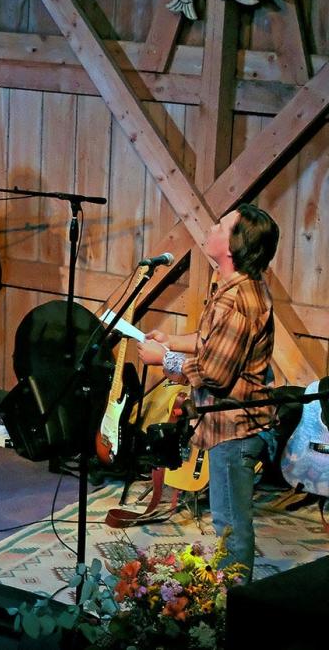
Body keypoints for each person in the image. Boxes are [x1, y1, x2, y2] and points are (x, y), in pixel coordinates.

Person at [137, 204, 280, 581]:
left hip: (237, 428)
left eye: (220, 224)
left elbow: (215, 374)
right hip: (225, 424)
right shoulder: (232, 286)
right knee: (227, 520)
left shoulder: (238, 300)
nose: (212, 228)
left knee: (230, 524)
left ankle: (235, 606)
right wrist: (174, 341)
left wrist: (164, 360)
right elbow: (210, 342)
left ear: (233, 246)